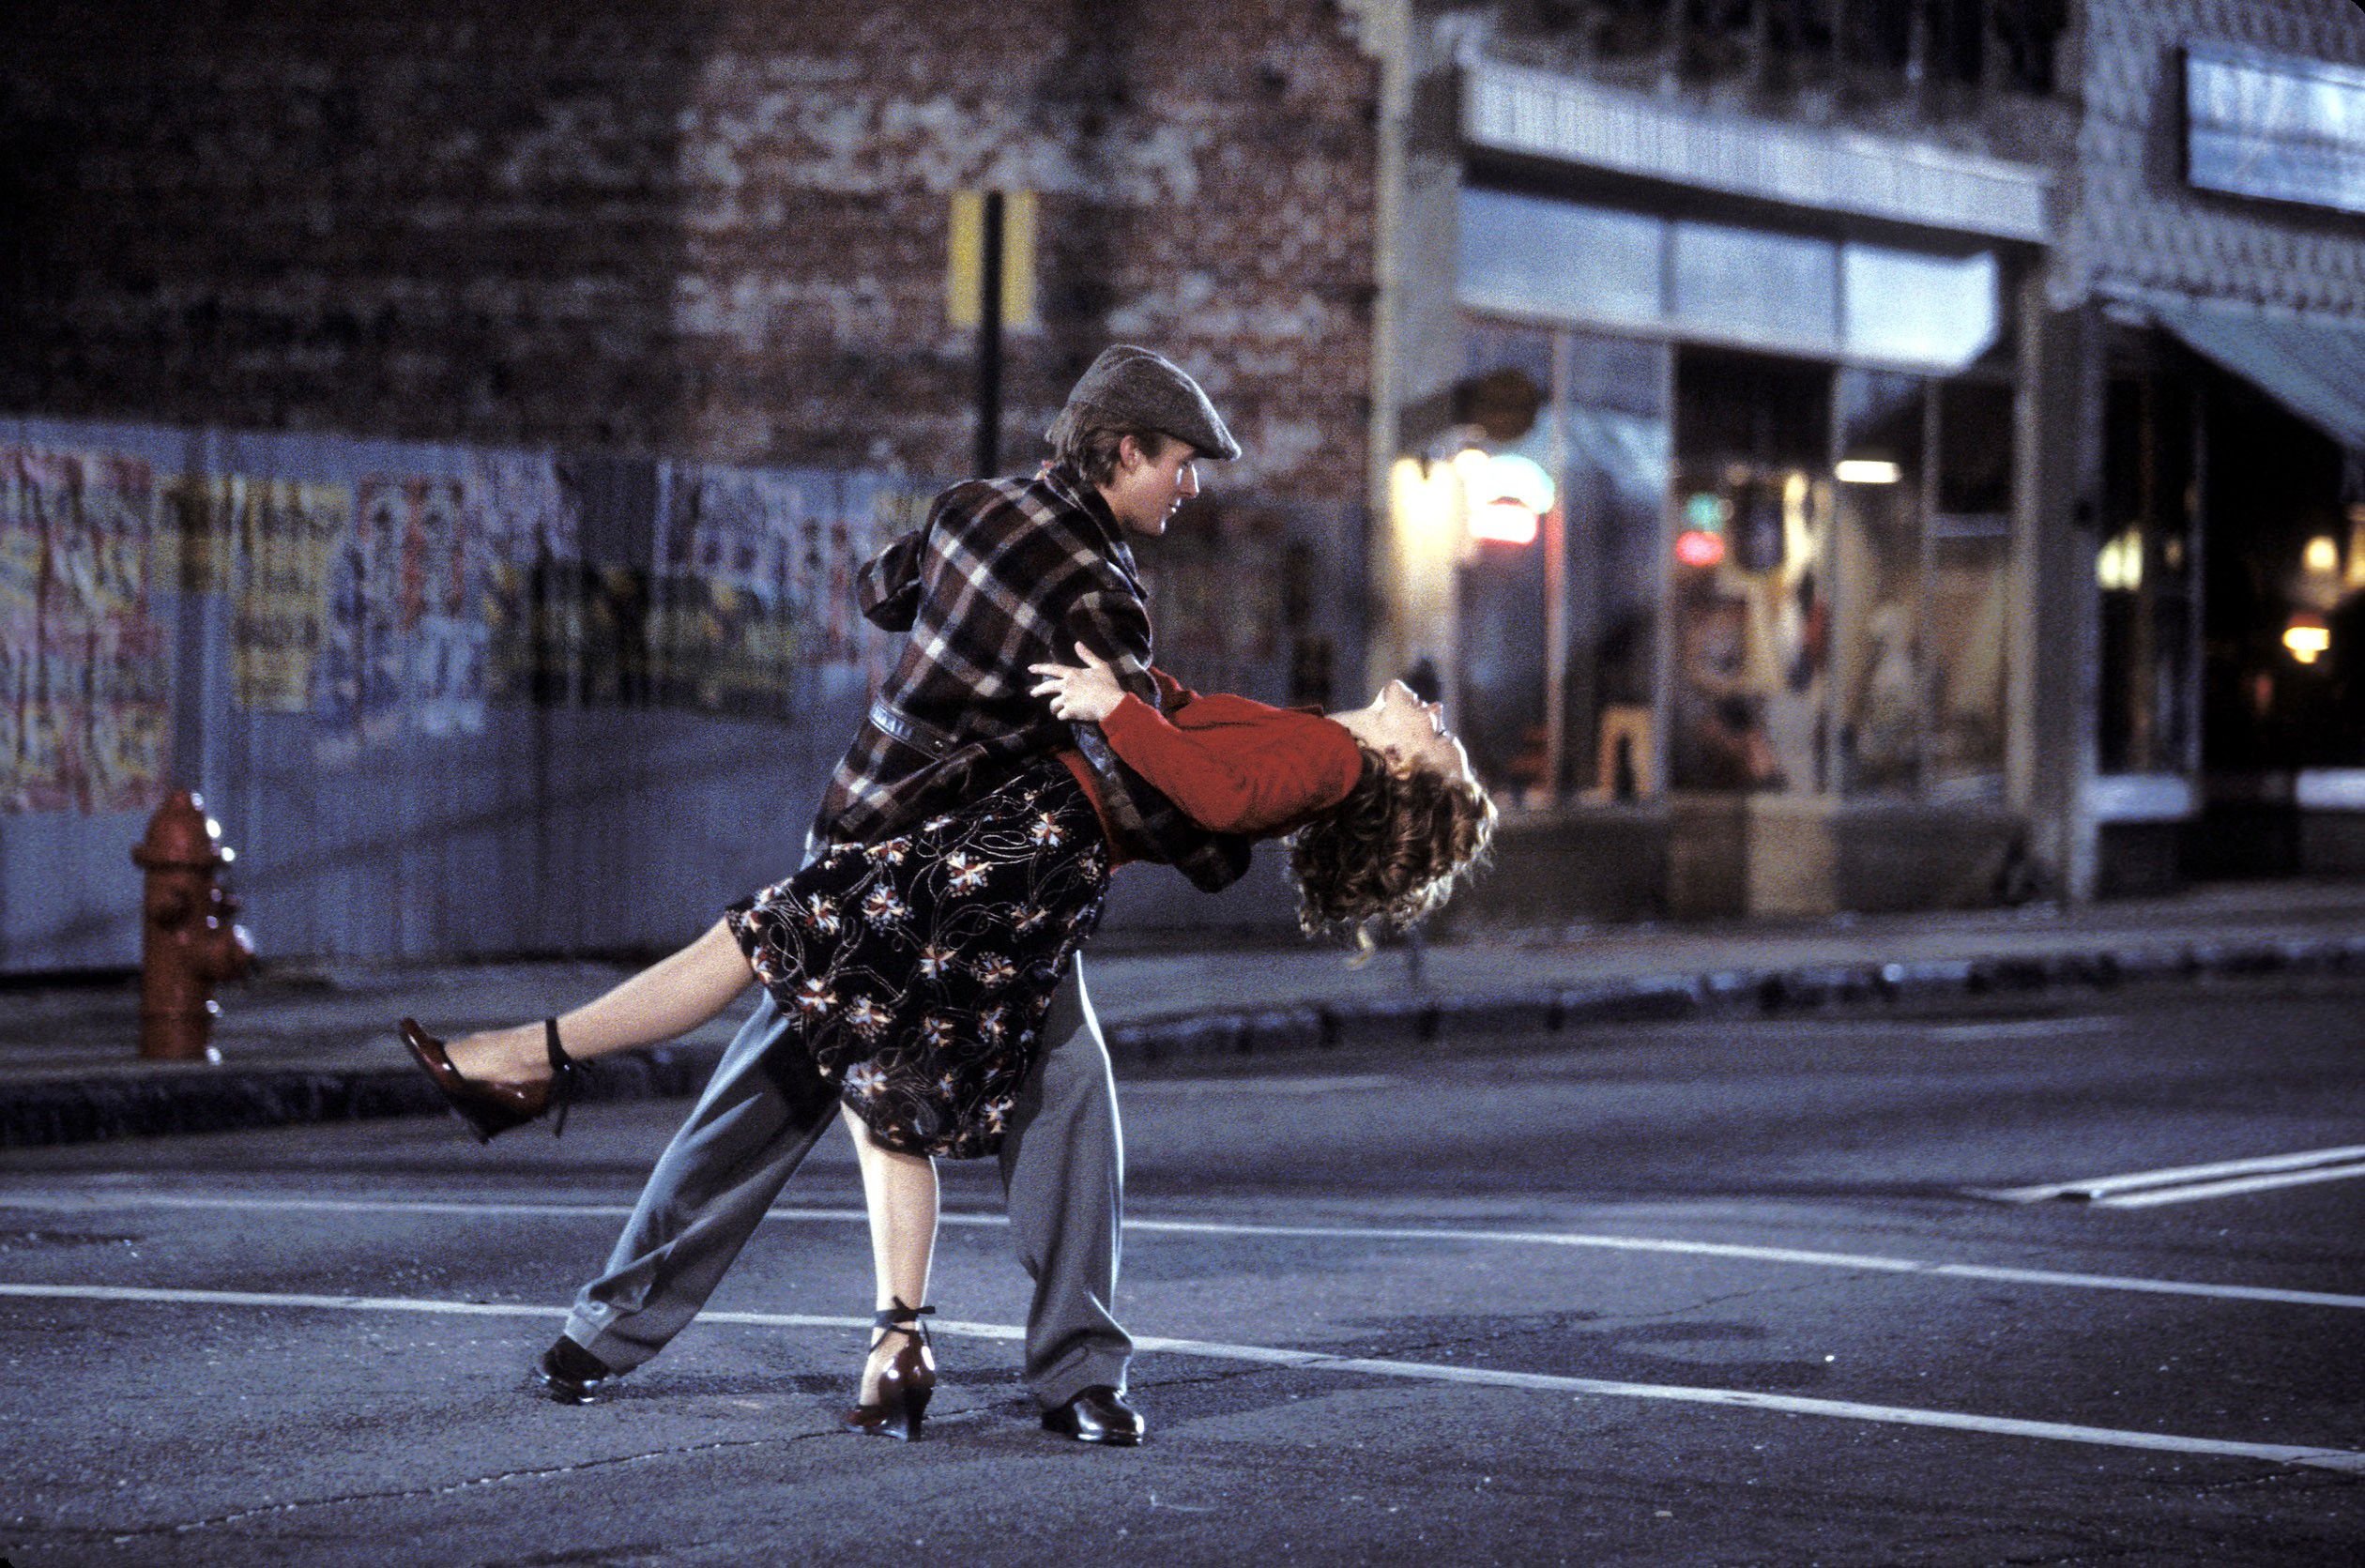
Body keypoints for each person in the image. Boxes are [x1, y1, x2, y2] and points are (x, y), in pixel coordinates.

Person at [404, 346, 1256, 1447]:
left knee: (772, 1085)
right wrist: (1249, 826)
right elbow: (1140, 764)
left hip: (859, 824)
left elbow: (879, 591)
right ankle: (1076, 1377)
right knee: (1063, 1091)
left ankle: (599, 1333)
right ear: (1124, 450)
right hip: (956, 884)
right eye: (1183, 463)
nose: (1190, 487)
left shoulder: (970, 506)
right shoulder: (1100, 594)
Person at [402, 653, 1493, 1439]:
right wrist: (1144, 691)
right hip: (1032, 871)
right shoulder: (1319, 735)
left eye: (1439, 736)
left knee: (768, 947)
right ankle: (897, 1342)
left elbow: (1209, 785)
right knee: (882, 1075)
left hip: (1007, 857)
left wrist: (1116, 705)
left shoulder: (1332, 761)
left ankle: (530, 1057)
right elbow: (1203, 732)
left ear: (1402, 775)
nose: (1436, 710)